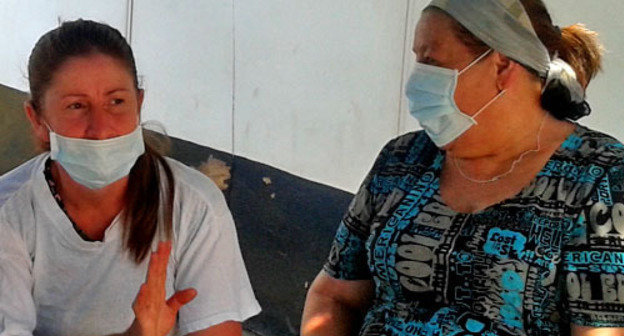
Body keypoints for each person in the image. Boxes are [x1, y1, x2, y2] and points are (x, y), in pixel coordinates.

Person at [301, 1, 624, 335]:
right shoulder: (402, 159)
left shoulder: (599, 176)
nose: (415, 81)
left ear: (501, 67)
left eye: (431, 61)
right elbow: (333, 295)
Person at [0, 20, 260, 335]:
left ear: (139, 104)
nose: (101, 128)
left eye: (116, 102)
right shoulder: (9, 213)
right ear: (38, 120)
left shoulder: (194, 204)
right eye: (76, 106)